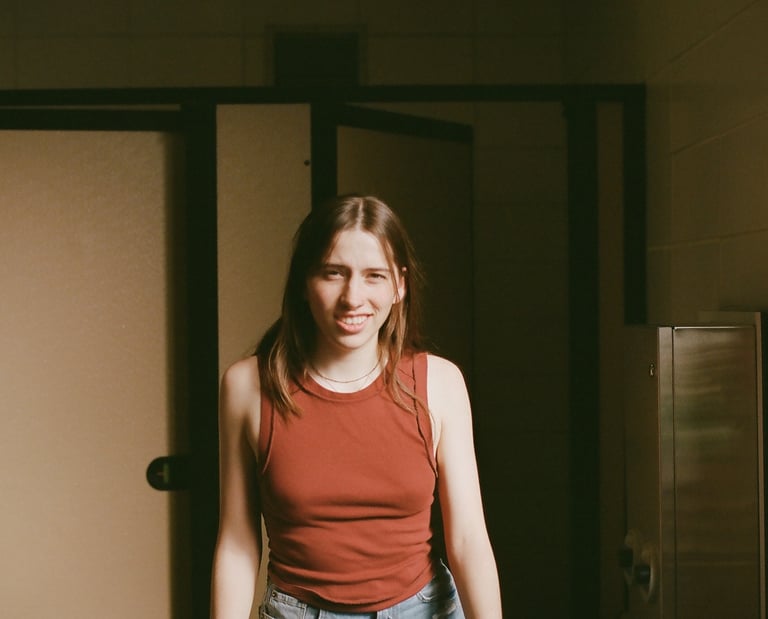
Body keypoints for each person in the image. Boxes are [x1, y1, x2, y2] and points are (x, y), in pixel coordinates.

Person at [211, 194, 502, 618]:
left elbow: (468, 540)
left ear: (399, 285)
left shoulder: (441, 383)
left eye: (374, 276)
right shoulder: (247, 386)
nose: (353, 297)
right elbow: (237, 542)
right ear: (304, 282)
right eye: (334, 273)